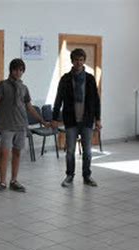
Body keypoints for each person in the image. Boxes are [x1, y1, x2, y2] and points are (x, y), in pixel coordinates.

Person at [0, 58, 48, 194]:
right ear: (11, 70)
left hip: (21, 125)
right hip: (7, 125)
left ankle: (14, 180)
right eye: (16, 69)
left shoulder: (24, 88)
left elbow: (29, 107)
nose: (18, 72)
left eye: (21, 70)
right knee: (4, 153)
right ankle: (2, 182)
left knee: (17, 153)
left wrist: (41, 120)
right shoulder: (3, 85)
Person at [51, 48, 102, 187]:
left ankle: (87, 176)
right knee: (70, 151)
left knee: (87, 151)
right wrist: (54, 118)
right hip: (71, 120)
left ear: (84, 61)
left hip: (86, 120)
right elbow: (58, 99)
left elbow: (96, 101)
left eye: (81, 60)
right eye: (76, 60)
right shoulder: (66, 79)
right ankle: (69, 176)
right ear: (72, 61)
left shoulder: (90, 79)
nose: (79, 62)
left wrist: (98, 119)